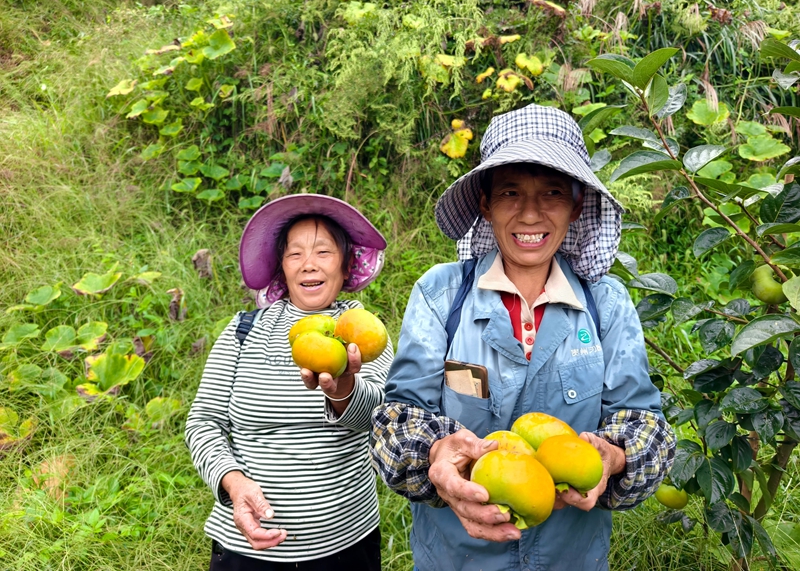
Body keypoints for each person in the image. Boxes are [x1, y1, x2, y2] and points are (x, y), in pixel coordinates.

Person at [371, 104, 676, 570]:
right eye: (510, 191)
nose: (530, 212)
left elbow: (646, 425)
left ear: (576, 205)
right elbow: (397, 420)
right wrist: (436, 454)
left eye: (552, 192)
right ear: (485, 203)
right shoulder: (441, 295)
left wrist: (613, 457)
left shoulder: (606, 304)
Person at [186, 194, 392, 570]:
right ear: (282, 267)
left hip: (344, 549)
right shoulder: (243, 331)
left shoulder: (362, 332)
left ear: (347, 266)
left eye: (323, 252)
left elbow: (378, 418)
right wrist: (232, 482)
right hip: (245, 549)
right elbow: (203, 422)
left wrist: (343, 391)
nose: (309, 265)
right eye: (295, 254)